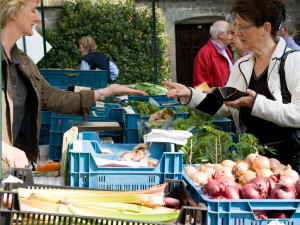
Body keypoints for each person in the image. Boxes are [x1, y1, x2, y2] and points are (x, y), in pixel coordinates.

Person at [1, 0, 147, 171]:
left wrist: (106, 91)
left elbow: (54, 98)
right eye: (33, 10)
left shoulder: (23, 61)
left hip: (10, 170)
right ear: (14, 11)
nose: (37, 17)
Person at [164, 0, 300, 169]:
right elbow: (221, 108)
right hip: (250, 164)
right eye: (236, 25)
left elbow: (298, 114)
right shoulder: (242, 65)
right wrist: (190, 95)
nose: (237, 32)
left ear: (265, 28)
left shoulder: (294, 62)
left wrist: (255, 103)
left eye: (242, 26)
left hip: (290, 166)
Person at [193, 20, 234, 88]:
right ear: (221, 35)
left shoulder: (226, 51)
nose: (231, 36)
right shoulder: (204, 53)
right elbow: (200, 85)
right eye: (229, 32)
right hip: (217, 98)